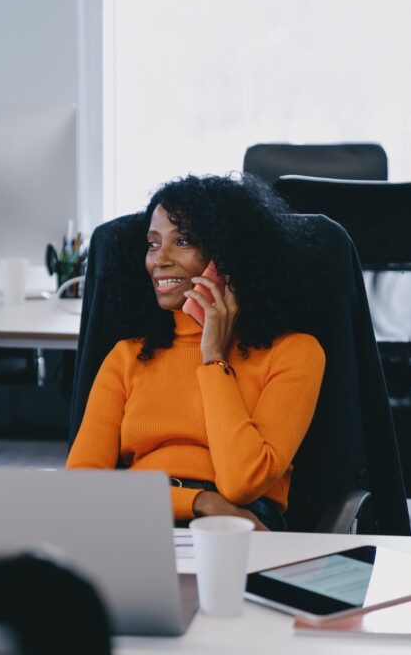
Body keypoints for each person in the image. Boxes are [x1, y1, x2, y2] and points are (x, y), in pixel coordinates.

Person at [67, 175, 326, 531]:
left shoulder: (294, 353)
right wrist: (200, 502)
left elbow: (242, 482)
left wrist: (213, 358)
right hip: (140, 518)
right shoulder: (127, 356)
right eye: (153, 244)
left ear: (228, 253)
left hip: (240, 525)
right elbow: (82, 486)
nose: (160, 260)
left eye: (183, 241)